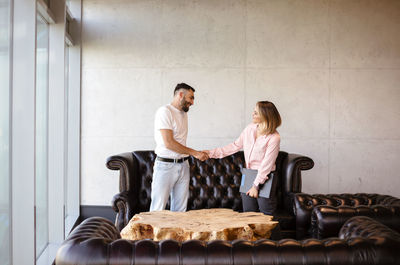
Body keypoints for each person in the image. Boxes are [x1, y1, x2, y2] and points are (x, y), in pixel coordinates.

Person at [204, 101, 281, 215]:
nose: (252, 114)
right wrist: (210, 153)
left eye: (256, 112)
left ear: (265, 115)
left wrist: (256, 185)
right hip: (248, 174)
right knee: (248, 213)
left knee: (267, 216)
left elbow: (267, 165)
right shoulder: (250, 128)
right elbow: (234, 146)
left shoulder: (274, 137)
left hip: (265, 177)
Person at [150, 83, 208, 212]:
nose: (192, 102)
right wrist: (195, 153)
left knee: (180, 211)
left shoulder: (183, 113)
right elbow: (168, 142)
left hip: (183, 165)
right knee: (157, 209)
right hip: (165, 166)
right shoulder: (165, 112)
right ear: (180, 95)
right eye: (191, 98)